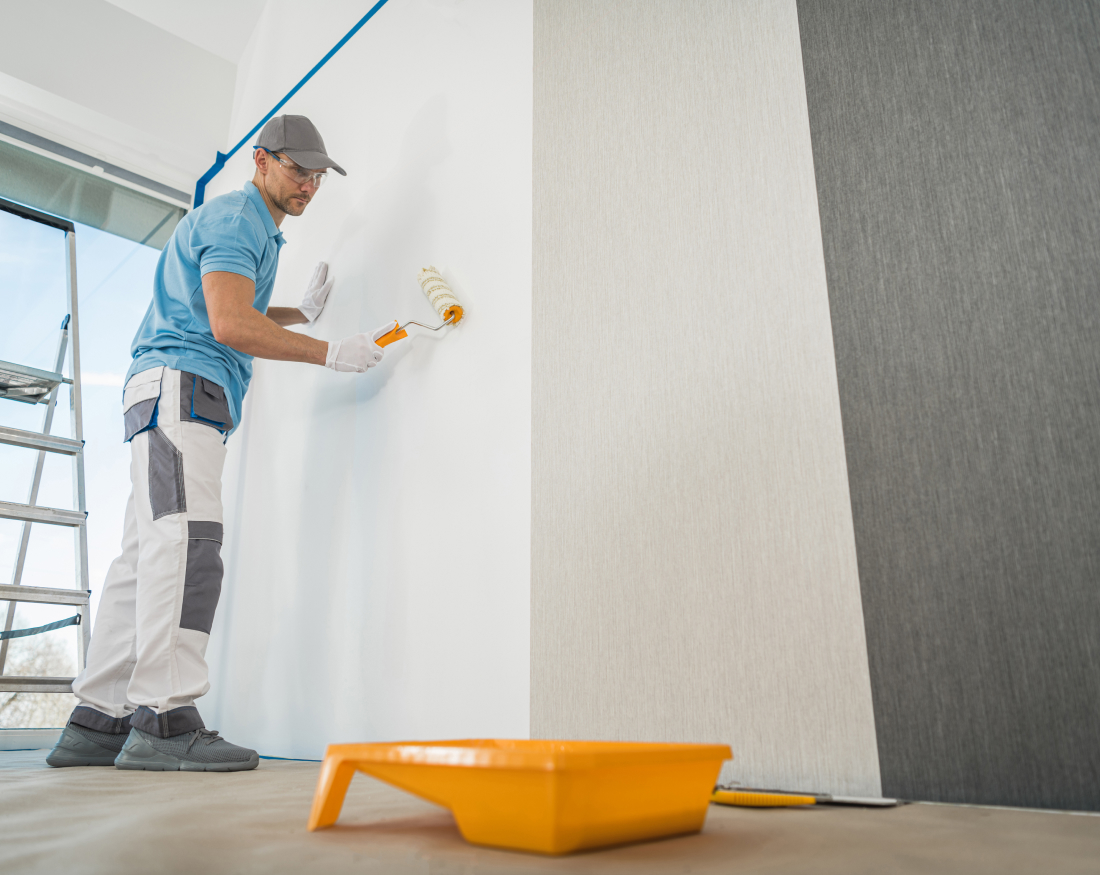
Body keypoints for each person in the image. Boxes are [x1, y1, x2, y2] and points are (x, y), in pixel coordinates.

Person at [46, 115, 389, 772]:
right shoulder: (238, 220)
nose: (309, 185)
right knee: (188, 547)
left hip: (163, 391)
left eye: (318, 176)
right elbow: (230, 324)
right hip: (184, 388)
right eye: (297, 170)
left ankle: (97, 720)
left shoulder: (247, 226)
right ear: (261, 160)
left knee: (144, 557)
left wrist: (298, 313)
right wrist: (328, 351)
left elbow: (221, 304)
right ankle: (164, 717)